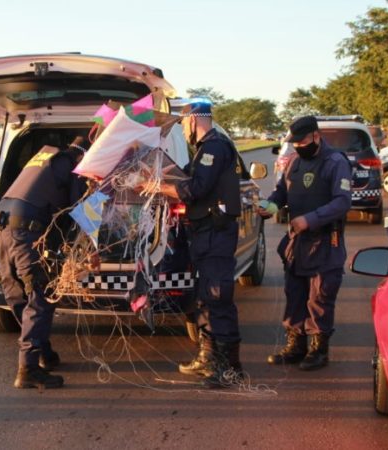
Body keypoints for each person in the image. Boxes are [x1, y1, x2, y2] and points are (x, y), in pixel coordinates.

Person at [147, 99, 248, 387]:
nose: (185, 130)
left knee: (218, 298)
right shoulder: (204, 149)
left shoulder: (215, 146)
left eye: (184, 124)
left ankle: (229, 368)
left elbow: (195, 188)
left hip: (216, 234)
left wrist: (156, 186)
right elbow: (186, 176)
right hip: (205, 234)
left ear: (193, 121)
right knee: (204, 297)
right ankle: (208, 357)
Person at [0, 136, 88, 390]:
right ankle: (28, 369)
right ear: (84, 157)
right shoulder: (73, 167)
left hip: (0, 225)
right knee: (39, 296)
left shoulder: (45, 158)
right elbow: (79, 212)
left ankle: (42, 352)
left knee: (16, 293)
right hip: (25, 231)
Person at [258, 115, 352, 371]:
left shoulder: (335, 163)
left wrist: (310, 220)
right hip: (297, 243)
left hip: (324, 240)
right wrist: (271, 205)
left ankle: (318, 349)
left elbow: (342, 202)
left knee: (320, 296)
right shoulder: (295, 163)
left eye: (302, 141)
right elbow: (282, 192)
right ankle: (295, 345)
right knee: (295, 293)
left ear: (315, 137)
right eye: (294, 143)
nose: (298, 146)